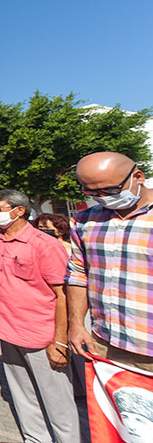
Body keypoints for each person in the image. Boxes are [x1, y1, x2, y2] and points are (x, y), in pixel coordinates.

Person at [0, 190, 80, 442]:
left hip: (41, 336)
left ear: (18, 211)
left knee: (57, 402)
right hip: (7, 330)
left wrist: (59, 341)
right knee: (23, 396)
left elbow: (63, 294)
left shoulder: (44, 244)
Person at [66, 152, 153, 373]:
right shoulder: (85, 220)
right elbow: (77, 274)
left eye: (110, 190)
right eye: (91, 191)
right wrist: (76, 324)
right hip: (105, 344)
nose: (102, 197)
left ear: (138, 177)